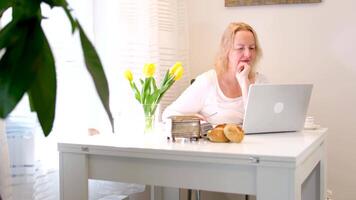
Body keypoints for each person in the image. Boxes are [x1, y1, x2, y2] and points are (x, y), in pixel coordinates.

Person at [162, 22, 268, 125]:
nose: (248, 54)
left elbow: (261, 123)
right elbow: (168, 114)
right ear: (226, 50)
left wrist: (244, 83)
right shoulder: (208, 81)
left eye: (252, 48)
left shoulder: (261, 82)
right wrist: (189, 119)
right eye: (240, 48)